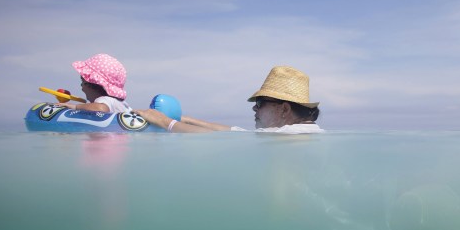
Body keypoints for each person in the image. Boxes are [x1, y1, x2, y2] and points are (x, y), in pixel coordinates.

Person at [136, 66, 322, 134]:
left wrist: (164, 121)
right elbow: (232, 132)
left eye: (259, 103)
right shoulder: (297, 132)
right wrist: (186, 119)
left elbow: (209, 138)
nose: (254, 110)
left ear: (284, 109)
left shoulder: (288, 137)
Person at [59, 54, 131, 114]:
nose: (81, 86)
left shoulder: (104, 100)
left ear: (93, 83)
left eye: (83, 82)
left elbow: (101, 108)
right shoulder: (122, 103)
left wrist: (76, 107)